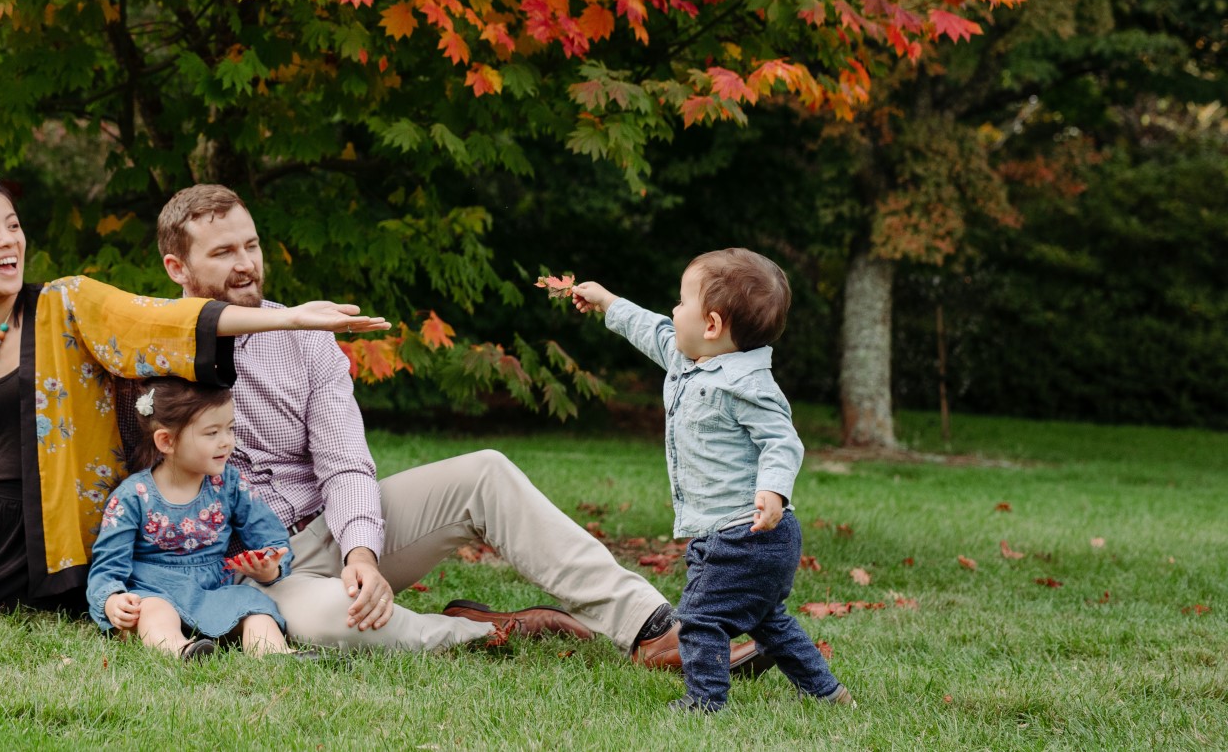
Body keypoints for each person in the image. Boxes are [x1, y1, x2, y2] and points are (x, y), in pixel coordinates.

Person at [151, 183, 759, 674]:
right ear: (177, 266)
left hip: (329, 530)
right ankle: (491, 629)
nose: (246, 265)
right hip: (249, 571)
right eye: (223, 253)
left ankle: (654, 628)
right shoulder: (143, 352)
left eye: (251, 245)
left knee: (484, 471)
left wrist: (361, 551)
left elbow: (345, 463)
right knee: (333, 620)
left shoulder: (310, 333)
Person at [0, 171, 388, 623]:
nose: (7, 241)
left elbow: (159, 322)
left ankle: (26, 594)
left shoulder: (69, 306)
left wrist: (289, 322)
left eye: (13, 226)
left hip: (58, 533)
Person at [571, 250, 852, 712]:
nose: (673, 311)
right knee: (768, 620)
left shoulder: (748, 384)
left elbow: (783, 442)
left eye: (681, 302)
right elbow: (651, 329)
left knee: (700, 620)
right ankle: (826, 692)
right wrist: (606, 301)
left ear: (713, 325)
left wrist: (773, 489)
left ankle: (705, 701)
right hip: (734, 535)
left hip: (746, 535)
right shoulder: (688, 359)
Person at [87, 379, 297, 658]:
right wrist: (113, 601)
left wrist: (269, 567)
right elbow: (106, 567)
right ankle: (182, 651)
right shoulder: (133, 496)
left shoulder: (230, 485)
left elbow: (272, 538)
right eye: (211, 433)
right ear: (167, 441)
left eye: (230, 428)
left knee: (254, 606)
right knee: (153, 613)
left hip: (213, 593)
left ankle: (274, 655)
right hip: (153, 591)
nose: (227, 441)